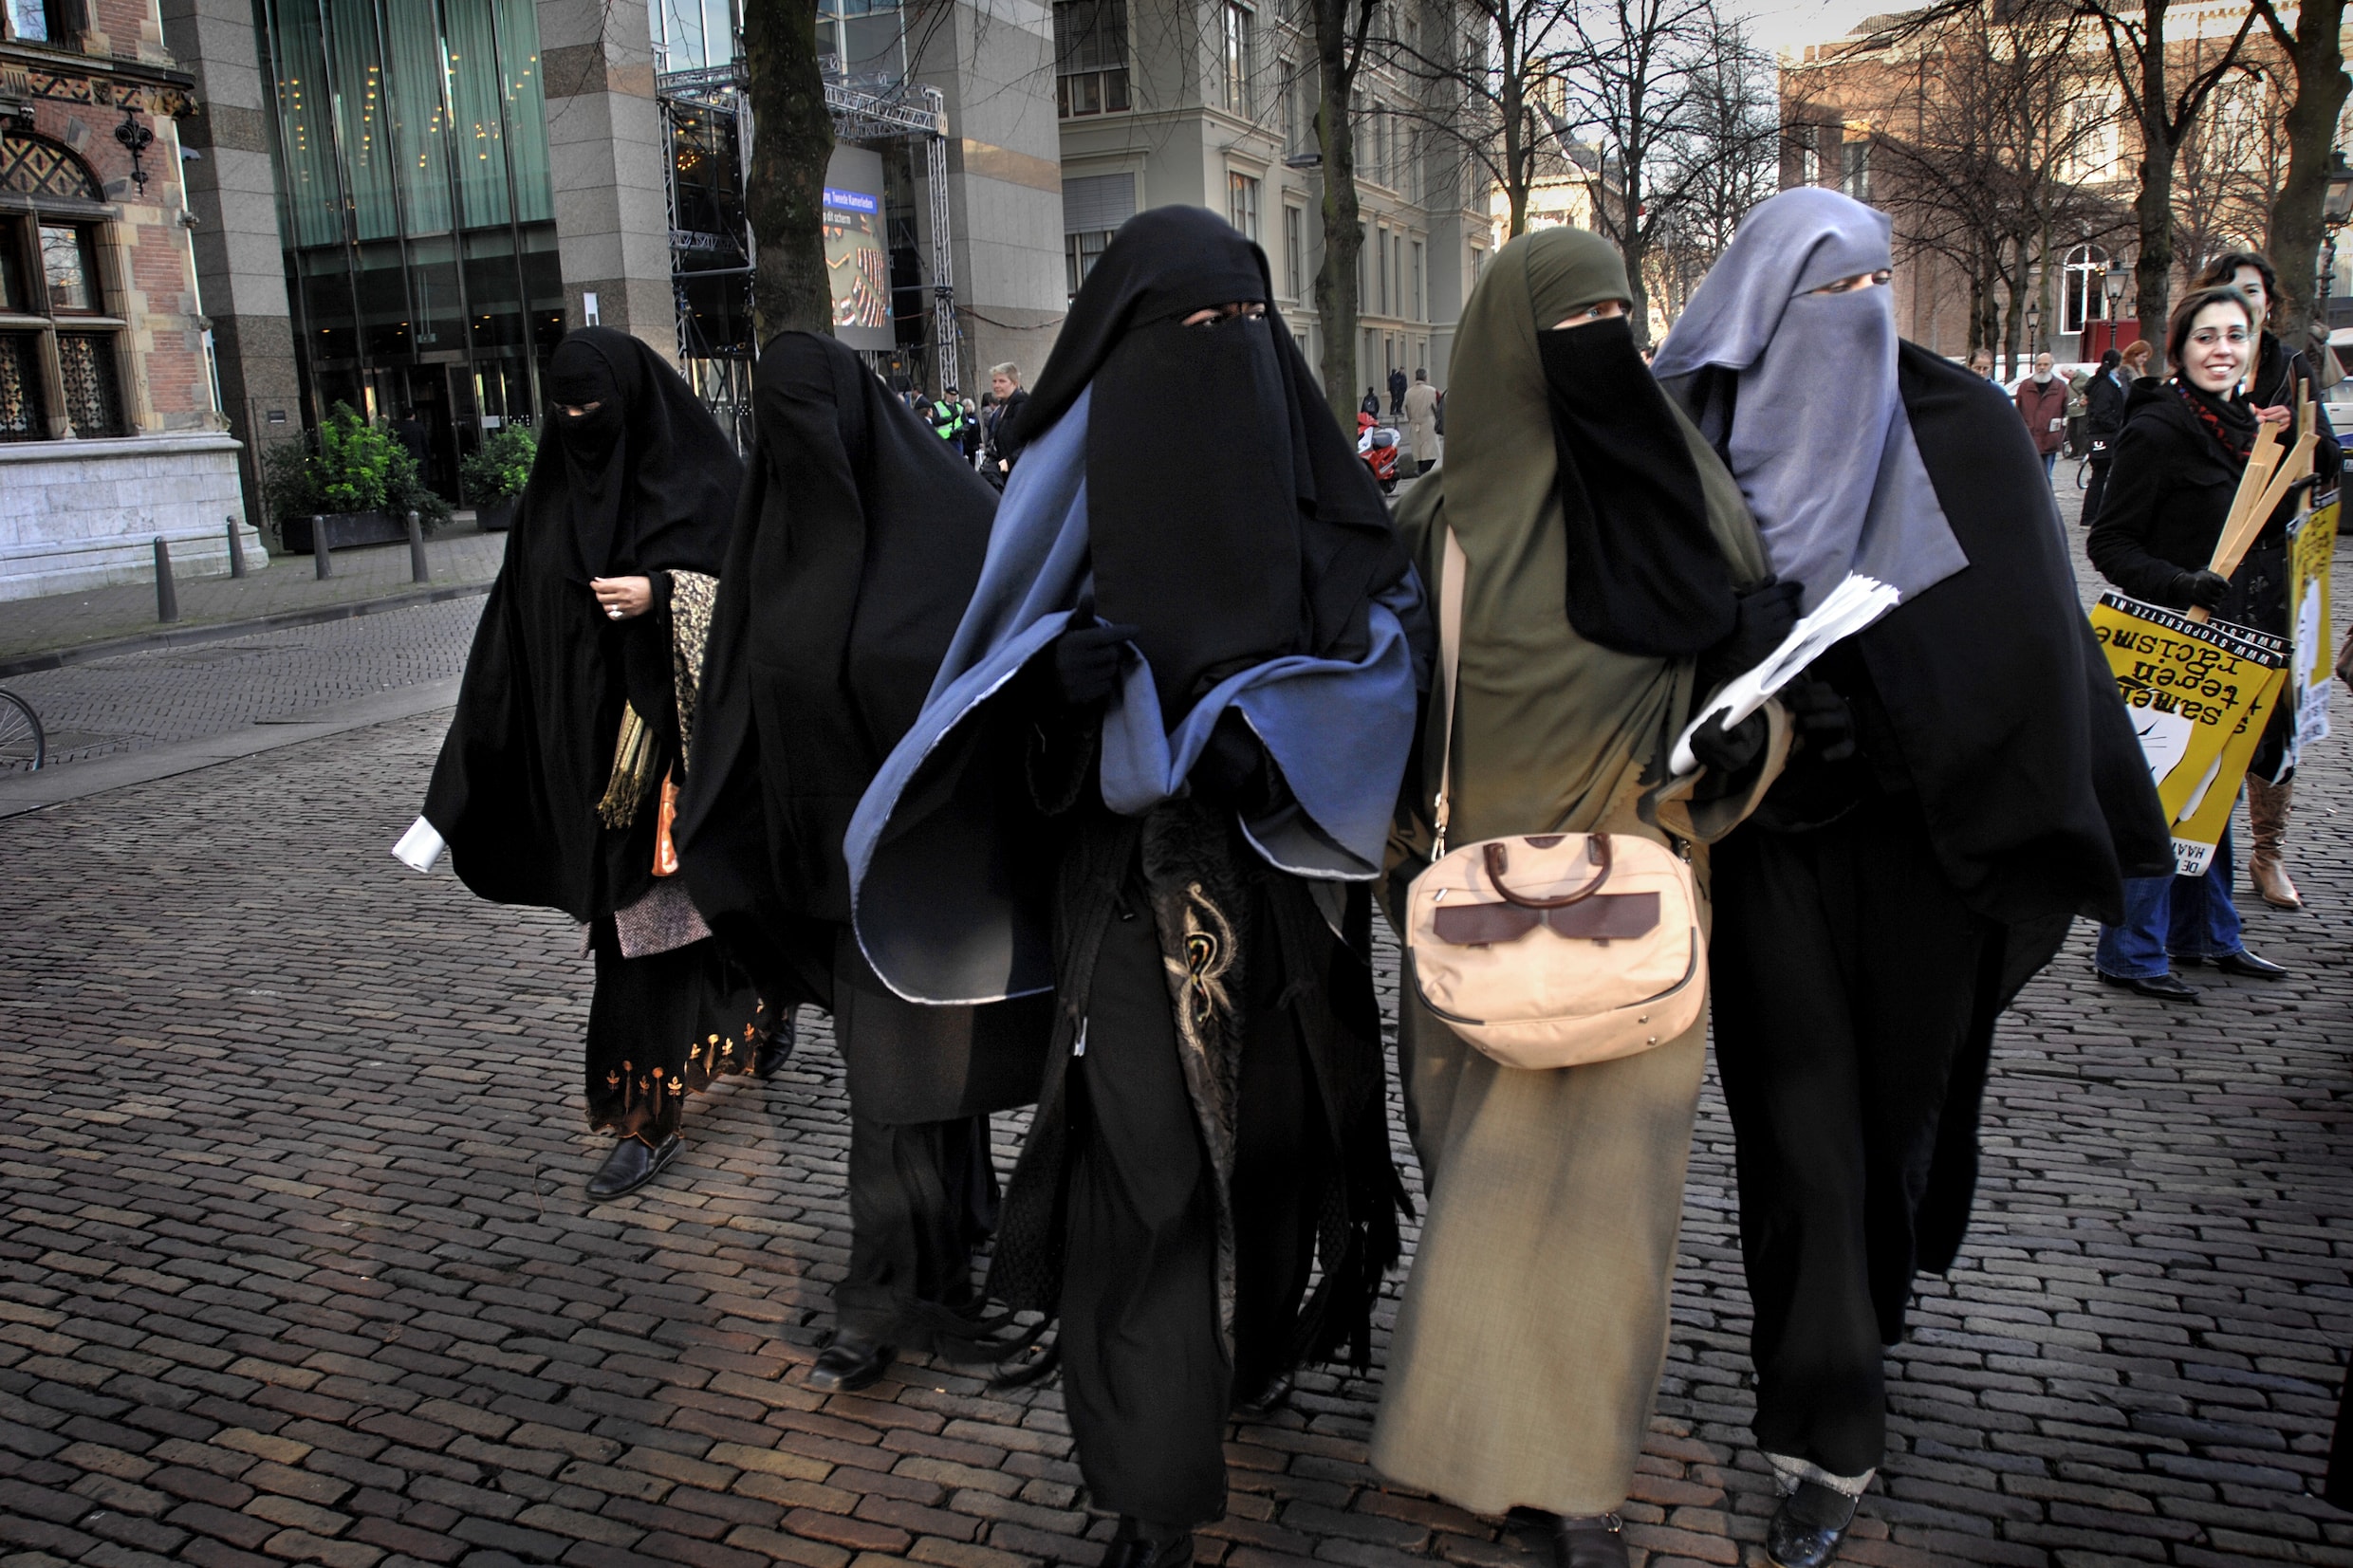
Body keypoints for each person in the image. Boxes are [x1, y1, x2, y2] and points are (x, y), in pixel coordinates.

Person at [845, 206, 1422, 1568]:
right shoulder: (1071, 482)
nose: (1218, 354)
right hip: (1123, 896)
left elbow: (1388, 654)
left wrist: (1279, 732)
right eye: (1186, 333)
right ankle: (1150, 1489)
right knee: (1144, 1186)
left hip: (1287, 891)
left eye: (1240, 327)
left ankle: (1256, 1352)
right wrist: (1054, 700)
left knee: (1275, 1158)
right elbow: (990, 690)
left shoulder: (1316, 482)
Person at [1650, 188, 2170, 1568]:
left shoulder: (1965, 432)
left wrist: (1880, 719)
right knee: (1799, 1135)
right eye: (1829, 295)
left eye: (1878, 286)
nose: (1861, 318)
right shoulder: (1692, 457)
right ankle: (1821, 1432)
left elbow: (2028, 653)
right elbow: (1630, 647)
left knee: (1892, 1120)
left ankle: (1865, 1304)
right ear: (1764, 309)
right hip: (1770, 856)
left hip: (1933, 854)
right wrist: (1732, 664)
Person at [1368, 227, 1792, 1568]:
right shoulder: (1437, 525)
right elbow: (1389, 722)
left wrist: (1749, 743)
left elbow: (1749, 698)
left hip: (1619, 913)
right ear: (1509, 341)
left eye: (1619, 312)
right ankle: (1507, 1445)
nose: (1598, 341)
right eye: (1571, 321)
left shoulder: (1688, 499)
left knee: (1606, 1222)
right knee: (1491, 1198)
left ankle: (1568, 1481)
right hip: (1521, 918)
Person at [673, 330, 1051, 1392]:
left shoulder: (963, 535)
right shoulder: (772, 542)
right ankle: (945, 1241)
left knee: (896, 1098)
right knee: (904, 1090)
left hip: (936, 874)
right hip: (827, 877)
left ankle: (887, 1300)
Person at [407, 327, 781, 1201]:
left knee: (640, 938)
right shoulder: (548, 504)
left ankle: (643, 1119)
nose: (580, 426)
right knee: (675, 925)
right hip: (585, 765)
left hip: (671, 756)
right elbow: (506, 641)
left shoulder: (700, 484)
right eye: (564, 410)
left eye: (594, 409)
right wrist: (455, 790)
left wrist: (666, 591)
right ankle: (762, 1003)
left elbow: (757, 595)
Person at [2086, 285, 2298, 999]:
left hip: (2235, 645)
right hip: (2167, 642)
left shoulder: (2252, 429)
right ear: (2178, 348)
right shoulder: (2158, 430)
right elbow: (2110, 543)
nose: (2222, 350)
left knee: (2210, 787)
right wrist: (2182, 583)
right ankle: (2130, 950)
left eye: (2236, 336)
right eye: (2206, 337)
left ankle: (2206, 932)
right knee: (2161, 795)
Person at [2188, 249, 2343, 909]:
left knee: (2276, 711)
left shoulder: (2291, 371)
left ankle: (2267, 850)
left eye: (2251, 293)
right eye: (2227, 292)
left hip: (2275, 572)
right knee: (2211, 707)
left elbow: (2332, 462)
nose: (2241, 304)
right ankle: (2198, 843)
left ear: (2269, 303)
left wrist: (2297, 444)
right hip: (2211, 566)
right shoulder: (2195, 371)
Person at [2083, 347, 2129, 523]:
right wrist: (2117, 427)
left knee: (2100, 476)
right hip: (2104, 436)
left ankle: (2094, 514)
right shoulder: (2105, 385)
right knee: (2100, 475)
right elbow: (2101, 413)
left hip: (2103, 434)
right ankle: (2090, 515)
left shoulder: (2104, 383)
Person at [2016, 352, 2068, 480]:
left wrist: (2060, 433)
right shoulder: (2025, 386)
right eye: (2039, 364)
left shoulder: (2060, 387)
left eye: (2045, 364)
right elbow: (2018, 411)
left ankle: (2046, 500)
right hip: (2029, 438)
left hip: (2050, 439)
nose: (2042, 367)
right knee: (2028, 477)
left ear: (2051, 366)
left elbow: (2065, 411)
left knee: (2046, 477)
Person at [986, 361, 1029, 483]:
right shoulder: (1004, 407)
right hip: (1006, 471)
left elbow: (1031, 442)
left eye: (1002, 381)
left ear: (1014, 383)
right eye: (994, 381)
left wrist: (1010, 461)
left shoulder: (1021, 406)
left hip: (1020, 473)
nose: (996, 385)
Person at [1402, 366, 1441, 474]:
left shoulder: (1408, 393)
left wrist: (1411, 419)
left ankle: (1422, 473)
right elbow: (1438, 406)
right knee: (1432, 453)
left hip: (1414, 424)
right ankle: (1422, 471)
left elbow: (1406, 408)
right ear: (1425, 377)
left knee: (1419, 453)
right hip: (1428, 423)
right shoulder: (1432, 391)